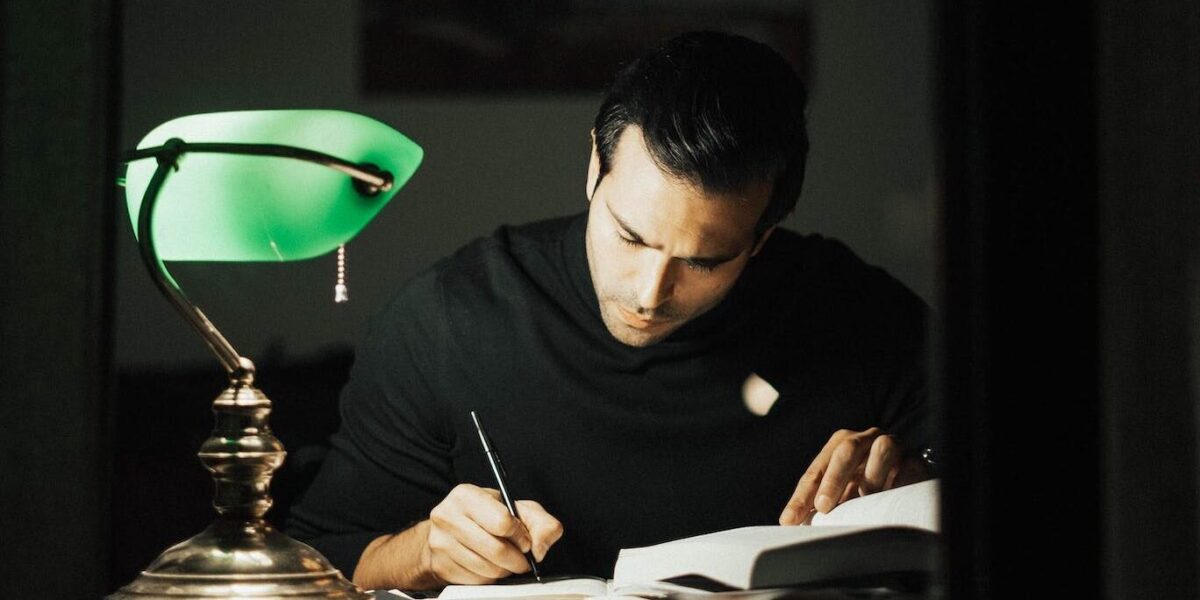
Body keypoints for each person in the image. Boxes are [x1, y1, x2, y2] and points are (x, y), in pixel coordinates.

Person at [287, 30, 933, 590]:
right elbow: (320, 562)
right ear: (594, 166)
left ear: (762, 237)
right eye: (630, 237)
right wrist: (425, 552)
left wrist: (914, 487)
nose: (652, 292)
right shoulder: (449, 320)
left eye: (704, 262)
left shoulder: (857, 314)